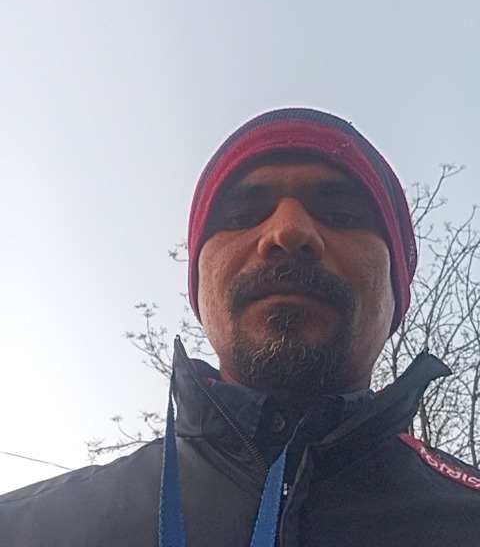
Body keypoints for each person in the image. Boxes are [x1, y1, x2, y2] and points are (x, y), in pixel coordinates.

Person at [1, 108, 479, 546]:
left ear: (397, 290)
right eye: (241, 216)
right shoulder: (26, 528)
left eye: (341, 216)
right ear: (200, 285)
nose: (288, 231)